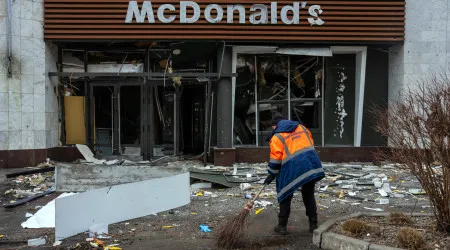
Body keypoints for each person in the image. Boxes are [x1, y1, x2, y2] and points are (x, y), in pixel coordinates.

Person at [245, 114, 325, 235]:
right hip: (310, 164)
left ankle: (282, 226)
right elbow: (309, 144)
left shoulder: (277, 136)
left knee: (285, 193)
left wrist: (271, 174)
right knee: (308, 194)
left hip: (292, 167)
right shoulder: (303, 128)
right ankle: (313, 225)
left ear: (275, 126)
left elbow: (276, 160)